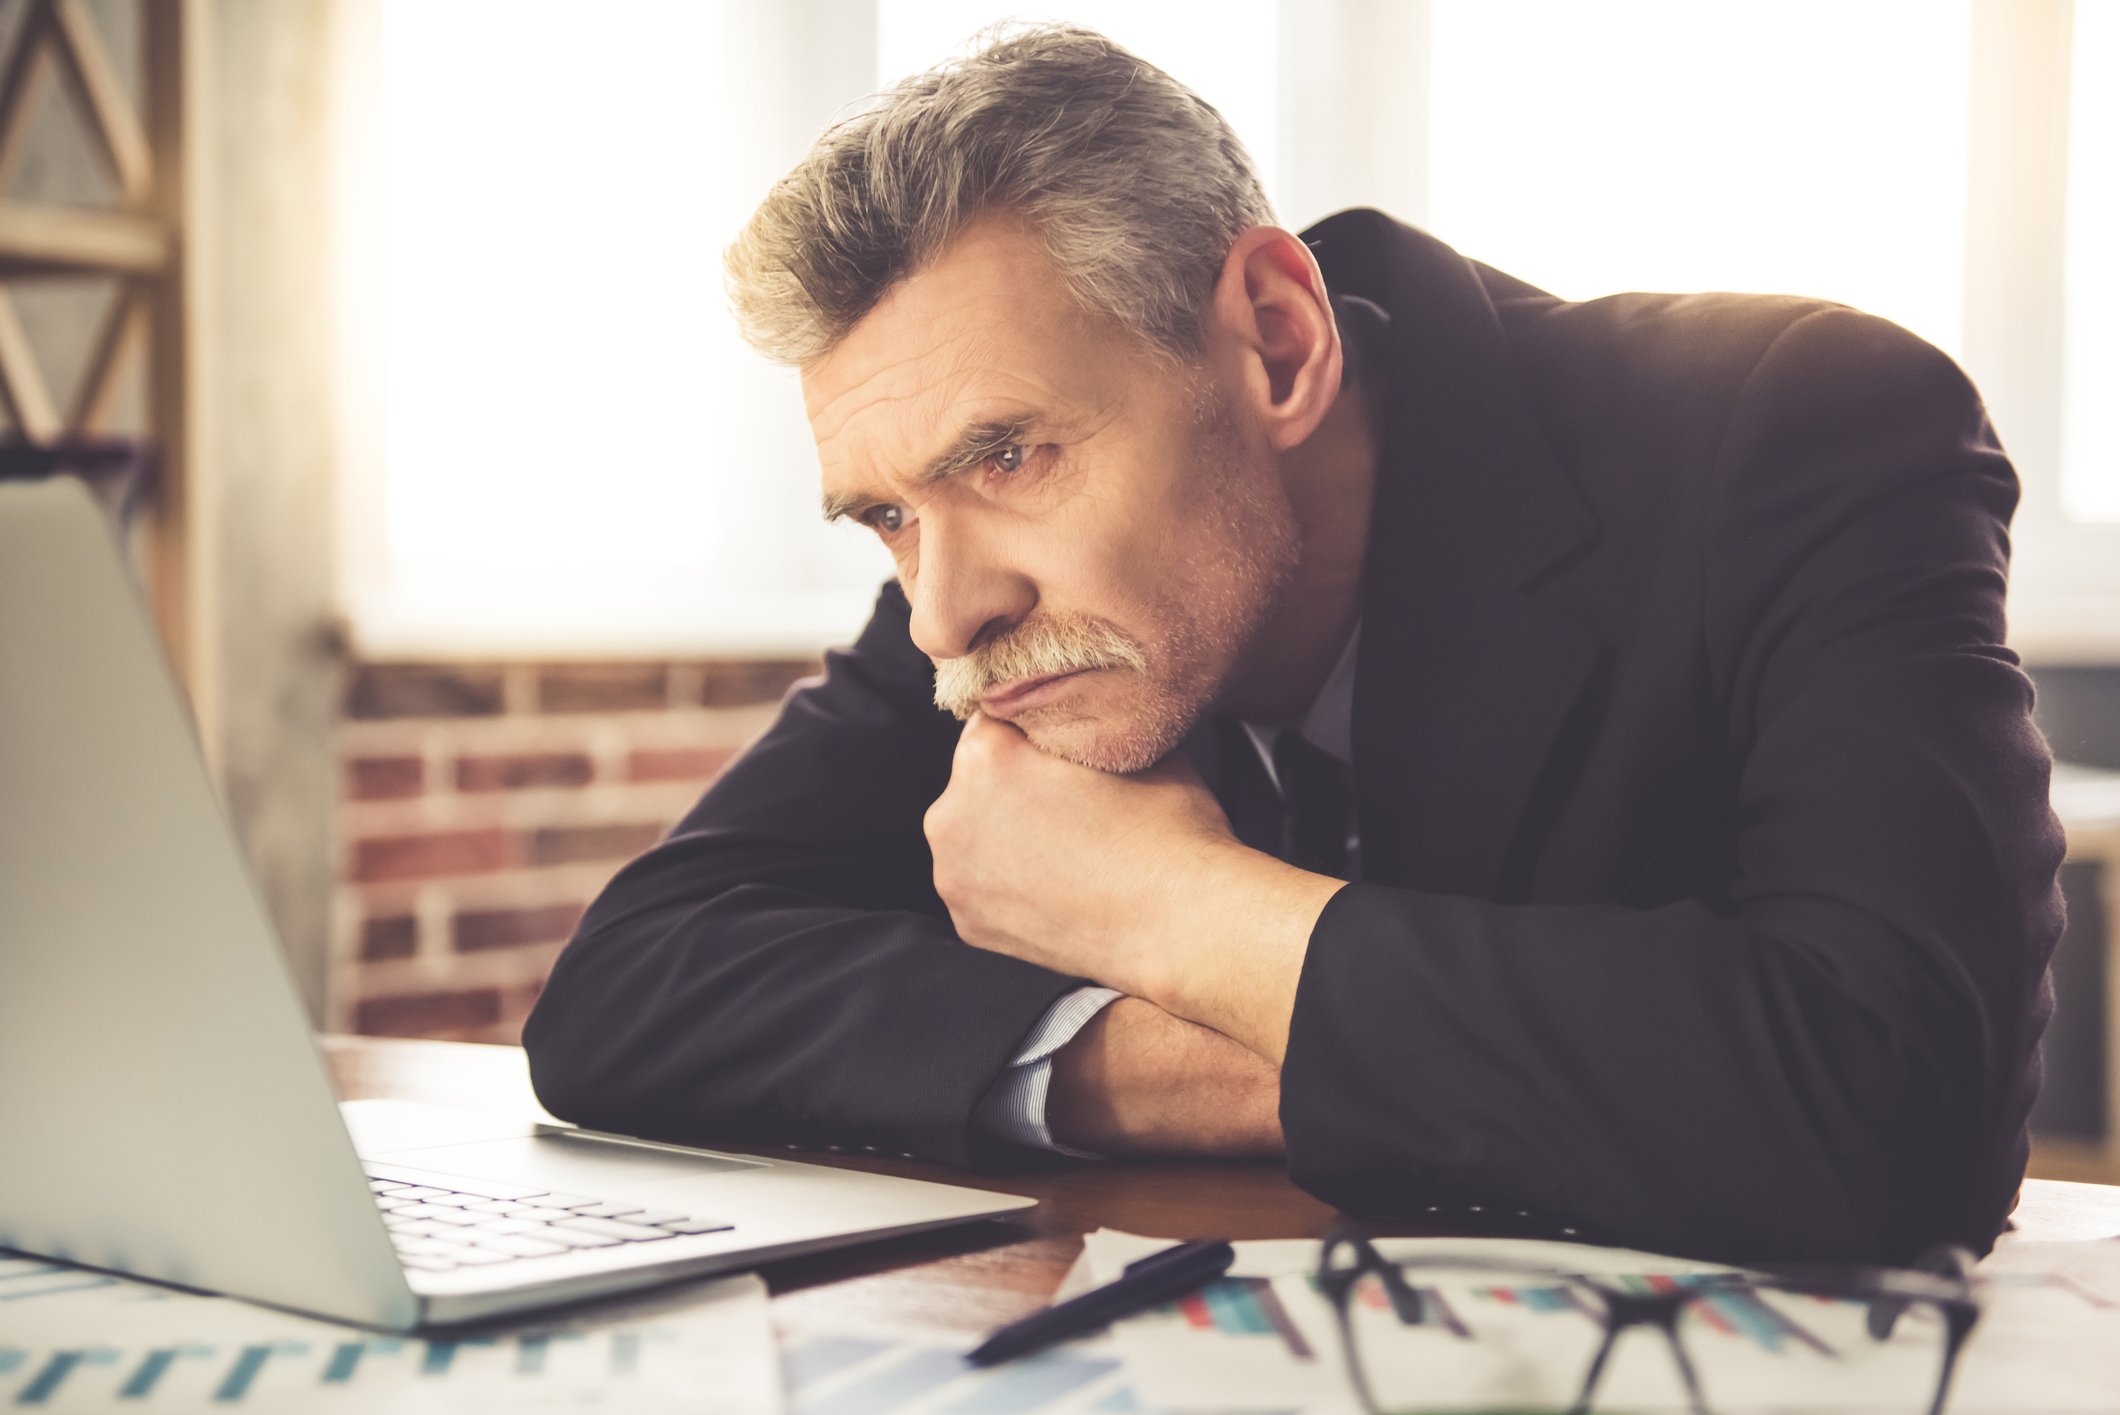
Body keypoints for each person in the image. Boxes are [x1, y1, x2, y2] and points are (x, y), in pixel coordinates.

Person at [522, 25, 2065, 1264]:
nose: (940, 615)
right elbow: (628, 993)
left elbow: (1901, 1109)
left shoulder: (1803, 430)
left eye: (1010, 455)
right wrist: (1223, 1068)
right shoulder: (985, 574)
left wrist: (1175, 913)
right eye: (879, 517)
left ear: (1277, 341)